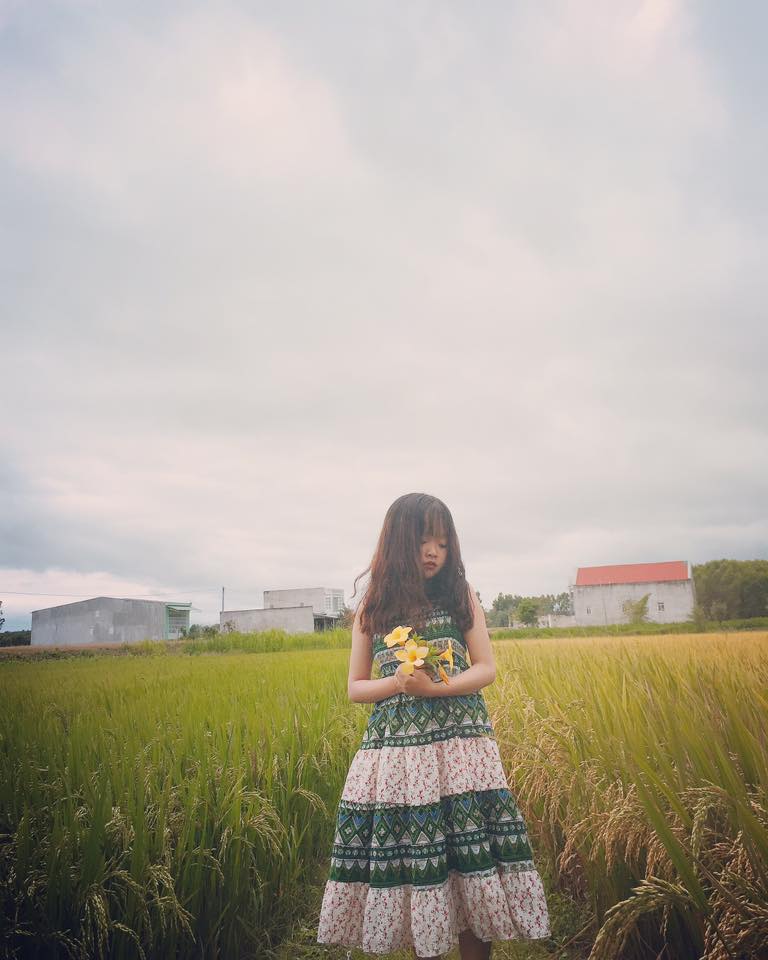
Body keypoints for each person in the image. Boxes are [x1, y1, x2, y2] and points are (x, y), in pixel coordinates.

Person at [316, 493, 551, 959]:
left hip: (460, 751)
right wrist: (398, 683)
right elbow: (356, 688)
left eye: (443, 544)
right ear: (398, 541)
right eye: (424, 540)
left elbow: (485, 669)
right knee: (421, 866)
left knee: (470, 861)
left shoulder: (460, 595)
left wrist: (435, 688)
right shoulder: (373, 607)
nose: (433, 552)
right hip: (399, 756)